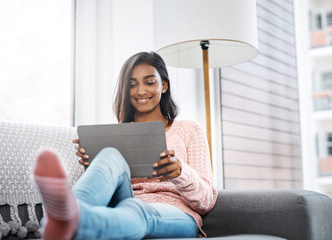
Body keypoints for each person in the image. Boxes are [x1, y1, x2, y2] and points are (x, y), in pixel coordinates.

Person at [33, 51, 217, 240]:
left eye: (149, 82)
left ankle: (71, 221)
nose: (141, 91)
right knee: (110, 154)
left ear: (164, 86)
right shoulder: (117, 135)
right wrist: (92, 163)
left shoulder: (190, 130)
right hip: (123, 207)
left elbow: (207, 201)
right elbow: (107, 193)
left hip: (176, 214)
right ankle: (65, 215)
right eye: (132, 85)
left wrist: (181, 173)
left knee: (138, 210)